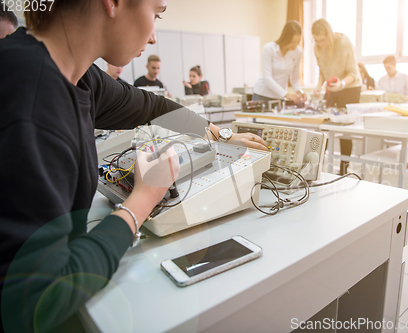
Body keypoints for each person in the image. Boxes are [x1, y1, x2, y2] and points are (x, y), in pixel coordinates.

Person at [0, 1, 267, 332]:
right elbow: (36, 300)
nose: (153, 36)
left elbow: (151, 105)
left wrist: (220, 135)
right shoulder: (35, 100)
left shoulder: (76, 75)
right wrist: (143, 199)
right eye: (156, 14)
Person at [312, 18, 362, 175]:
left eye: (322, 40)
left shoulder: (343, 42)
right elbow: (322, 71)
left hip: (350, 88)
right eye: (316, 40)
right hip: (332, 89)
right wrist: (318, 86)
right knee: (324, 127)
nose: (320, 43)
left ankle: (343, 170)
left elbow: (353, 73)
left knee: (344, 131)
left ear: (329, 34)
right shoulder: (317, 48)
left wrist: (341, 84)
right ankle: (318, 168)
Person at [252, 20, 305, 105]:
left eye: (298, 42)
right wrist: (286, 94)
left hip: (279, 97)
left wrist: (299, 91)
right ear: (286, 38)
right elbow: (267, 78)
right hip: (262, 95)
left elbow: (295, 77)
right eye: (292, 42)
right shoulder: (269, 48)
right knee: (260, 118)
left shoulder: (298, 52)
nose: (295, 45)